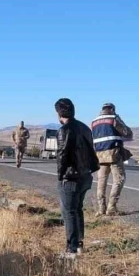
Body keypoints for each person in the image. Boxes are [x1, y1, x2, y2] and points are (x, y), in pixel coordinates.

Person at [55, 98, 99, 258]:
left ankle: (71, 249)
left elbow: (62, 155)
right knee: (77, 210)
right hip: (85, 176)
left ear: (59, 113)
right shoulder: (84, 128)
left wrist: (60, 176)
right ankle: (79, 244)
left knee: (69, 212)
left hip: (71, 178)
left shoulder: (64, 130)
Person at [91, 103, 134, 216]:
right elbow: (127, 133)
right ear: (112, 109)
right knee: (119, 179)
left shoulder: (94, 121)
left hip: (99, 154)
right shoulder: (113, 118)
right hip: (113, 153)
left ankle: (101, 209)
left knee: (101, 181)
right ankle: (111, 207)